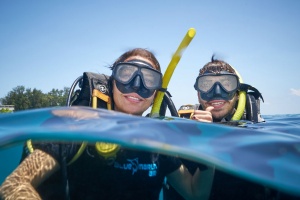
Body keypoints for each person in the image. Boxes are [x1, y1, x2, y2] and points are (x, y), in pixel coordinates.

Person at [0, 48, 214, 200]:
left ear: (156, 93)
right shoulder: (76, 127)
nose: (136, 86)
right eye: (126, 74)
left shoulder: (158, 143)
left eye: (148, 79)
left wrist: (208, 152)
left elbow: (195, 193)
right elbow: (14, 184)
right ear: (112, 82)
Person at [164, 56, 300, 200]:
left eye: (227, 84)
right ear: (198, 95)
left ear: (237, 93)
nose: (217, 92)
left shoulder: (255, 129)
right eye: (206, 85)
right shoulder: (184, 129)